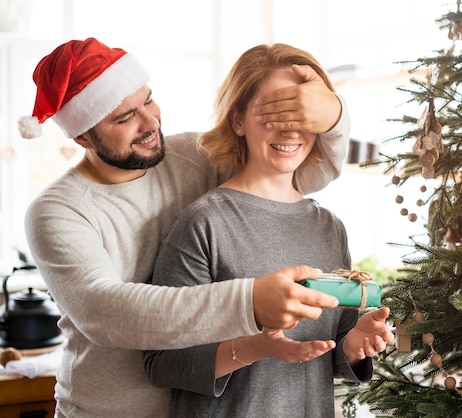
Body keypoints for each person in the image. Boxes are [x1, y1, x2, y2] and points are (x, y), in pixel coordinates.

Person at [18, 37, 351, 417]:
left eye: (147, 100)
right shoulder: (57, 210)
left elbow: (298, 174)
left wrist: (334, 116)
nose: (149, 122)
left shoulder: (193, 156)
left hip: (196, 404)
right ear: (82, 136)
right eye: (124, 118)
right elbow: (104, 312)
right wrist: (250, 301)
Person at [142, 43, 393, 418]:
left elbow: (333, 347)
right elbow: (160, 363)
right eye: (273, 112)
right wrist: (255, 347)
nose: (290, 129)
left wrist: (354, 344)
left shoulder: (329, 228)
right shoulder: (204, 223)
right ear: (237, 120)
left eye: (301, 112)